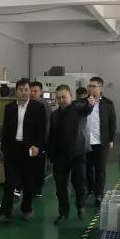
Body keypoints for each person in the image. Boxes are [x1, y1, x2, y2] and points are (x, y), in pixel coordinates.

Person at [0, 79, 47, 222]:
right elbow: (6, 130)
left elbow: (42, 130)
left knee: (28, 181)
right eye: (21, 89)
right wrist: (4, 148)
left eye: (26, 89)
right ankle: (5, 212)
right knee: (9, 182)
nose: (24, 92)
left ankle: (27, 209)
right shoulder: (9, 108)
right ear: (16, 91)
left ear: (30, 91)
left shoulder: (38, 108)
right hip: (12, 150)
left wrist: (38, 146)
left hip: (30, 149)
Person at [48, 85, 95, 225]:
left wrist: (91, 103)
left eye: (64, 97)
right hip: (60, 156)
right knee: (60, 186)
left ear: (71, 96)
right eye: (59, 98)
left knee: (79, 183)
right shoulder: (54, 115)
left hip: (77, 153)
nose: (61, 100)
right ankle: (63, 213)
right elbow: (51, 136)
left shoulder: (78, 109)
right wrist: (51, 155)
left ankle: (80, 205)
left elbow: (87, 109)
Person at [85, 77, 117, 207]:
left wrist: (111, 139)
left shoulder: (108, 104)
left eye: (94, 86)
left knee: (100, 169)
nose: (90, 88)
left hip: (101, 142)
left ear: (100, 88)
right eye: (89, 86)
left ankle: (99, 194)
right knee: (87, 169)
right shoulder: (83, 103)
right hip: (86, 142)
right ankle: (89, 190)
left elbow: (112, 122)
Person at [30, 81, 52, 198]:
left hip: (40, 142)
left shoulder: (44, 106)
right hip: (29, 142)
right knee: (30, 165)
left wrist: (43, 144)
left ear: (41, 92)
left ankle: (38, 189)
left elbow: (47, 125)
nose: (32, 93)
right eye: (31, 91)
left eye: (35, 91)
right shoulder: (27, 103)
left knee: (39, 166)